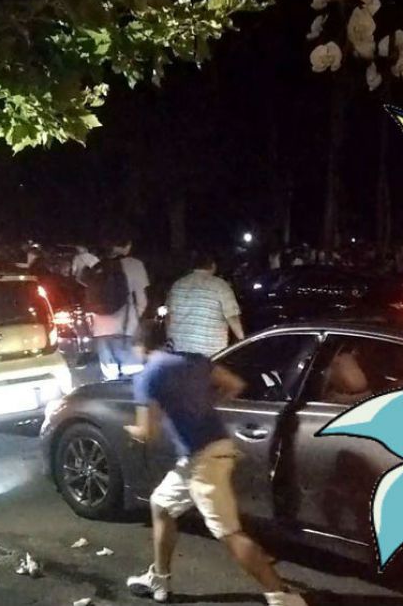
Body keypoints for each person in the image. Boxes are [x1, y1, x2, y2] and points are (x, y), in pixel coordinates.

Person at [123, 348, 307, 605]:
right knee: (161, 505)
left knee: (228, 531)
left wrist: (130, 429)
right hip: (208, 451)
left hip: (204, 461)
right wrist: (203, 408)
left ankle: (282, 597)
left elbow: (147, 432)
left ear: (140, 346)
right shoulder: (196, 362)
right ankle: (159, 578)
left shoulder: (147, 375)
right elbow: (235, 385)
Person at [165, 251, 244, 357]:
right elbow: (232, 317)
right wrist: (242, 341)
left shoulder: (178, 285)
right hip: (209, 355)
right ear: (213, 265)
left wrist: (169, 340)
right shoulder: (220, 286)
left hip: (178, 350)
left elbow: (168, 317)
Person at [92, 237, 150, 380]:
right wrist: (136, 320)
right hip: (126, 329)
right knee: (133, 377)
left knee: (110, 378)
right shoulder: (135, 265)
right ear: (128, 244)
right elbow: (142, 301)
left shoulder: (98, 265)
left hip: (100, 329)